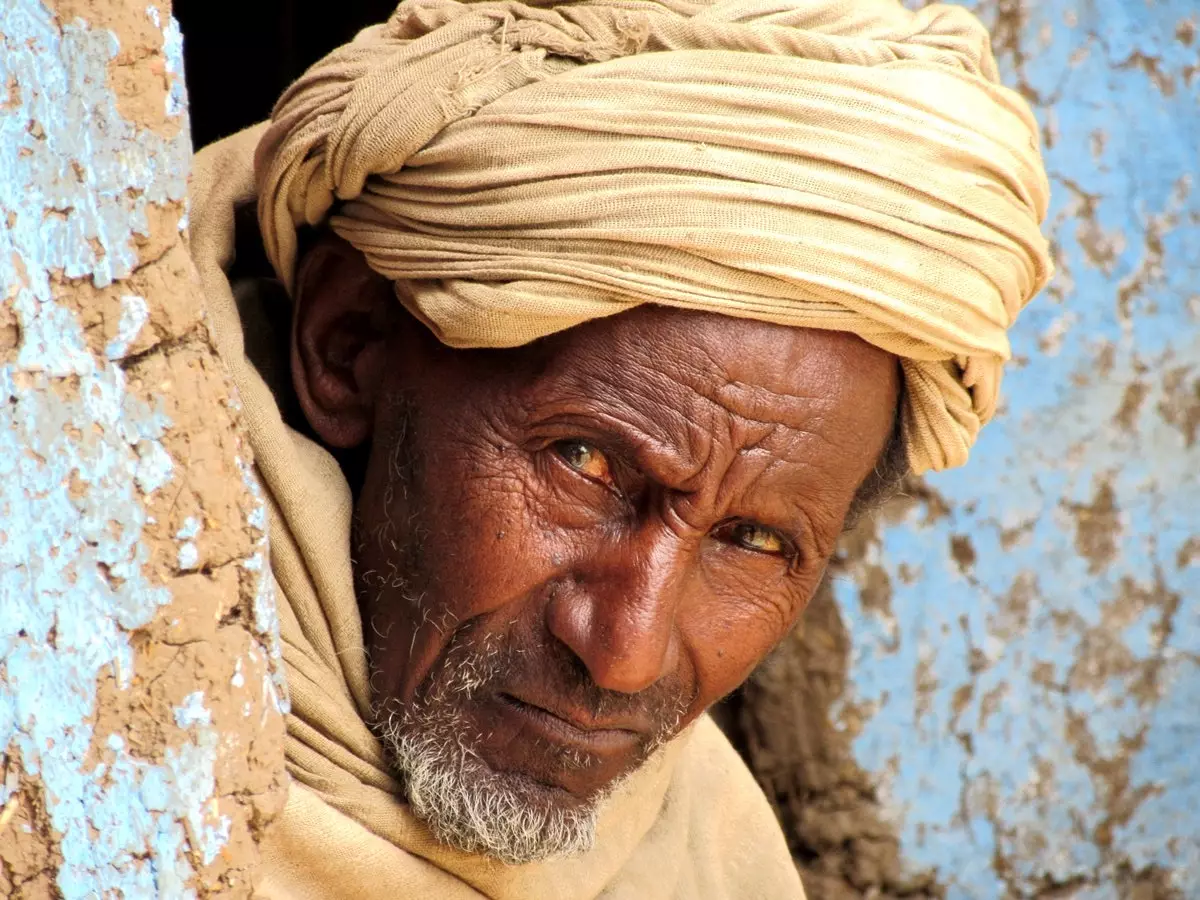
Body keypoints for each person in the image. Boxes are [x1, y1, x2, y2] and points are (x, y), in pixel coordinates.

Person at [188, 0, 1051, 895]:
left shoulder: (713, 860)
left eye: (752, 541)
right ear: (348, 343)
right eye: (586, 464)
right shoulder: (84, 726)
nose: (624, 654)